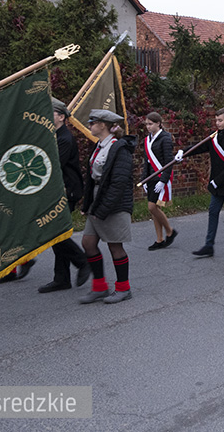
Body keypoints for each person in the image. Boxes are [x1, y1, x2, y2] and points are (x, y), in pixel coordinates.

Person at [79, 110, 136, 304]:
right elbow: (92, 179)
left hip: (114, 203)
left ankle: (123, 288)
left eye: (92, 122)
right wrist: (88, 205)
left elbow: (119, 183)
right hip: (98, 200)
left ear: (103, 125)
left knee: (114, 245)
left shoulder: (119, 148)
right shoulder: (99, 146)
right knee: (88, 242)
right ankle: (100, 287)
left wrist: (102, 210)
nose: (90, 125)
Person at [37, 98, 91, 293]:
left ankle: (82, 260)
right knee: (56, 234)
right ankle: (62, 278)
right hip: (59, 191)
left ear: (61, 116)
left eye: (50, 113)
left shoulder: (64, 139)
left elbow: (53, 165)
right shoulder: (53, 136)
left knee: (55, 232)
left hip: (68, 191)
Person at [183, 107, 224, 257]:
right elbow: (200, 147)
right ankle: (209, 245)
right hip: (217, 184)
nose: (217, 123)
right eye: (216, 120)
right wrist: (184, 152)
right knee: (213, 212)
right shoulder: (214, 137)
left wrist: (217, 181)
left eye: (220, 120)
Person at [142, 112, 179, 251]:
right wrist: (144, 179)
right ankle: (159, 239)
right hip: (151, 178)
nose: (148, 127)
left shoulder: (165, 138)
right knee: (154, 210)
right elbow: (146, 162)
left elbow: (169, 162)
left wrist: (163, 180)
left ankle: (170, 231)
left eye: (150, 124)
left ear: (158, 123)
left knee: (152, 207)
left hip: (160, 178)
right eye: (146, 124)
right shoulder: (147, 139)